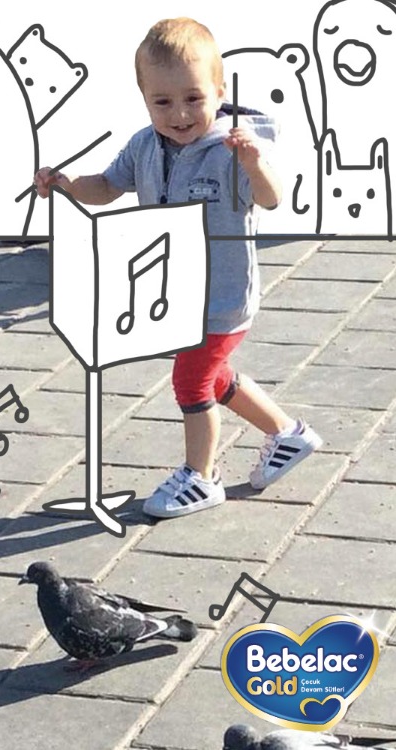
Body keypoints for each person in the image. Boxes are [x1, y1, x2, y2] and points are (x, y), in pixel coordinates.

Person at [34, 17, 322, 519]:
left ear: (220, 91)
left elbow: (271, 198)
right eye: (162, 102)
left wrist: (254, 164)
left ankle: (201, 477)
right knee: (213, 377)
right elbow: (107, 186)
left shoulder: (235, 148)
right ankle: (287, 434)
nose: (180, 114)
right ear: (144, 99)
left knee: (190, 383)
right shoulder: (145, 145)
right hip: (177, 294)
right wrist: (67, 183)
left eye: (193, 98)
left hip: (223, 298)